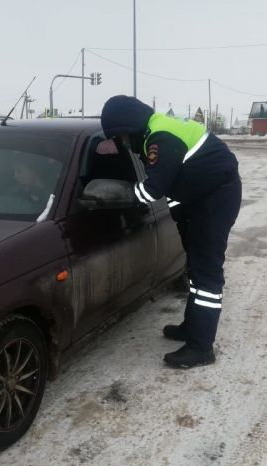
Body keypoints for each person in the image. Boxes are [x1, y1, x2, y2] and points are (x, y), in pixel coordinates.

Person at [100, 95, 242, 369]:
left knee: (207, 276)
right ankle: (191, 327)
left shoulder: (161, 137)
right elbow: (179, 182)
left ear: (126, 127)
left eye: (118, 137)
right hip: (200, 197)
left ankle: (201, 348)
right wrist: (182, 219)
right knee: (195, 269)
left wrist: (122, 195)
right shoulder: (151, 131)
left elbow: (154, 188)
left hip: (216, 198)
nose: (120, 143)